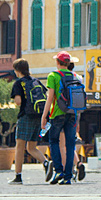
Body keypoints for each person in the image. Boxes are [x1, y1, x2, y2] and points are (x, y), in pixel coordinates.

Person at [9, 59, 49, 185]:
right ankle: (46, 163)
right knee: (31, 147)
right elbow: (46, 96)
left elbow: (18, 101)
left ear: (17, 70)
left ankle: (18, 176)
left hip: (26, 116)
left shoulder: (18, 83)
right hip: (38, 115)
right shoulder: (35, 81)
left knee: (20, 146)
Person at [41, 51, 79, 185]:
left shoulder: (53, 76)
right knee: (70, 145)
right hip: (72, 113)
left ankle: (58, 171)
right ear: (68, 63)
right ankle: (68, 176)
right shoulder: (75, 76)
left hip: (57, 113)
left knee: (54, 141)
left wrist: (44, 116)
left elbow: (50, 98)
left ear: (58, 62)